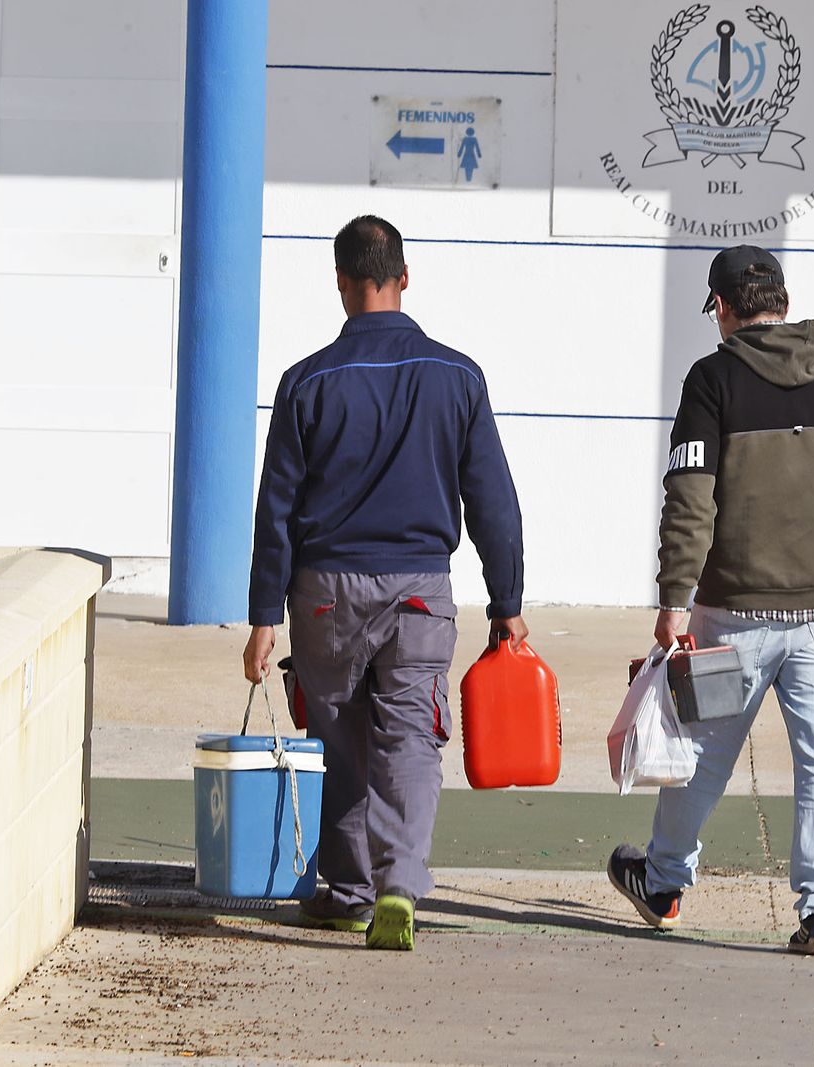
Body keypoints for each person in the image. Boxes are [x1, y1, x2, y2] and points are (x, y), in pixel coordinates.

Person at [607, 245, 814, 956]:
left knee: (703, 751)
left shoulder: (712, 381)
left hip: (732, 613)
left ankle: (664, 883)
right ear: (784, 300)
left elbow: (690, 499)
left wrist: (674, 597)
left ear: (722, 307)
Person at [243, 215, 527, 951]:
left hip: (325, 593)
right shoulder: (458, 376)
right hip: (419, 592)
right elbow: (493, 500)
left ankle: (347, 893)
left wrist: (264, 614)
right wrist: (507, 601)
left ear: (341, 283)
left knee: (338, 738)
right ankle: (399, 883)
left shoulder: (306, 381)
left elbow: (277, 508)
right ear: (405, 276)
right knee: (411, 737)